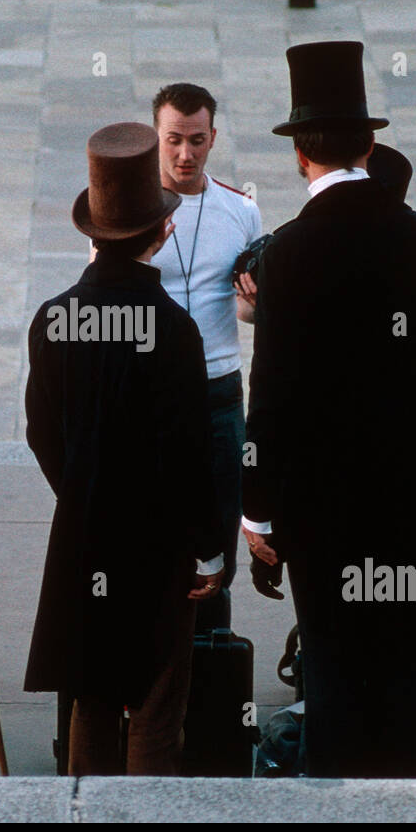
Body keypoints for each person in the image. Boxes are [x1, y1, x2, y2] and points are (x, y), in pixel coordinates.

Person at [242, 42, 416, 778]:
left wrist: (259, 511)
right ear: (371, 143)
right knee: (410, 690)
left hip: (326, 525)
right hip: (415, 515)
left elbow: (274, 397)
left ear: (299, 156)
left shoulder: (285, 254)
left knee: (339, 685)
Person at [24, 122, 220, 776]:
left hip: (84, 538)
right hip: (159, 548)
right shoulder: (174, 328)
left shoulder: (54, 319)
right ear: (161, 230)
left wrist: (83, 488)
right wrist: (208, 545)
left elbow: (41, 432)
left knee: (93, 699)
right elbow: (193, 449)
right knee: (158, 705)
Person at [148, 83, 262, 629]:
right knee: (157, 521)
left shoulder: (241, 210)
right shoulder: (128, 207)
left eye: (197, 140)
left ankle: (213, 651)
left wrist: (256, 304)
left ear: (213, 137)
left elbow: (246, 316)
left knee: (220, 522)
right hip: (153, 388)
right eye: (173, 140)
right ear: (157, 138)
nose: (185, 154)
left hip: (218, 387)